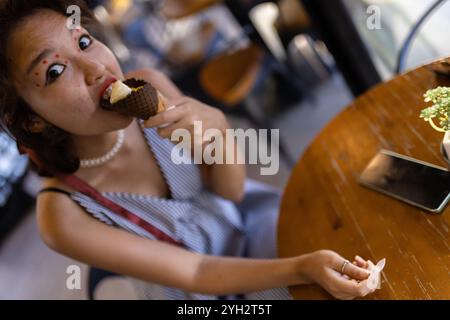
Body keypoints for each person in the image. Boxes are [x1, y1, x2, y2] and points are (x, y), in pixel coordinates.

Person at [0, 0, 376, 300]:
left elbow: (232, 191)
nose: (96, 68)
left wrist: (219, 133)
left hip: (244, 219)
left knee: (356, 243)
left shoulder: (150, 85)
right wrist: (302, 268)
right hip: (201, 292)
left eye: (83, 41)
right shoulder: (62, 216)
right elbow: (197, 272)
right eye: (54, 71)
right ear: (31, 119)